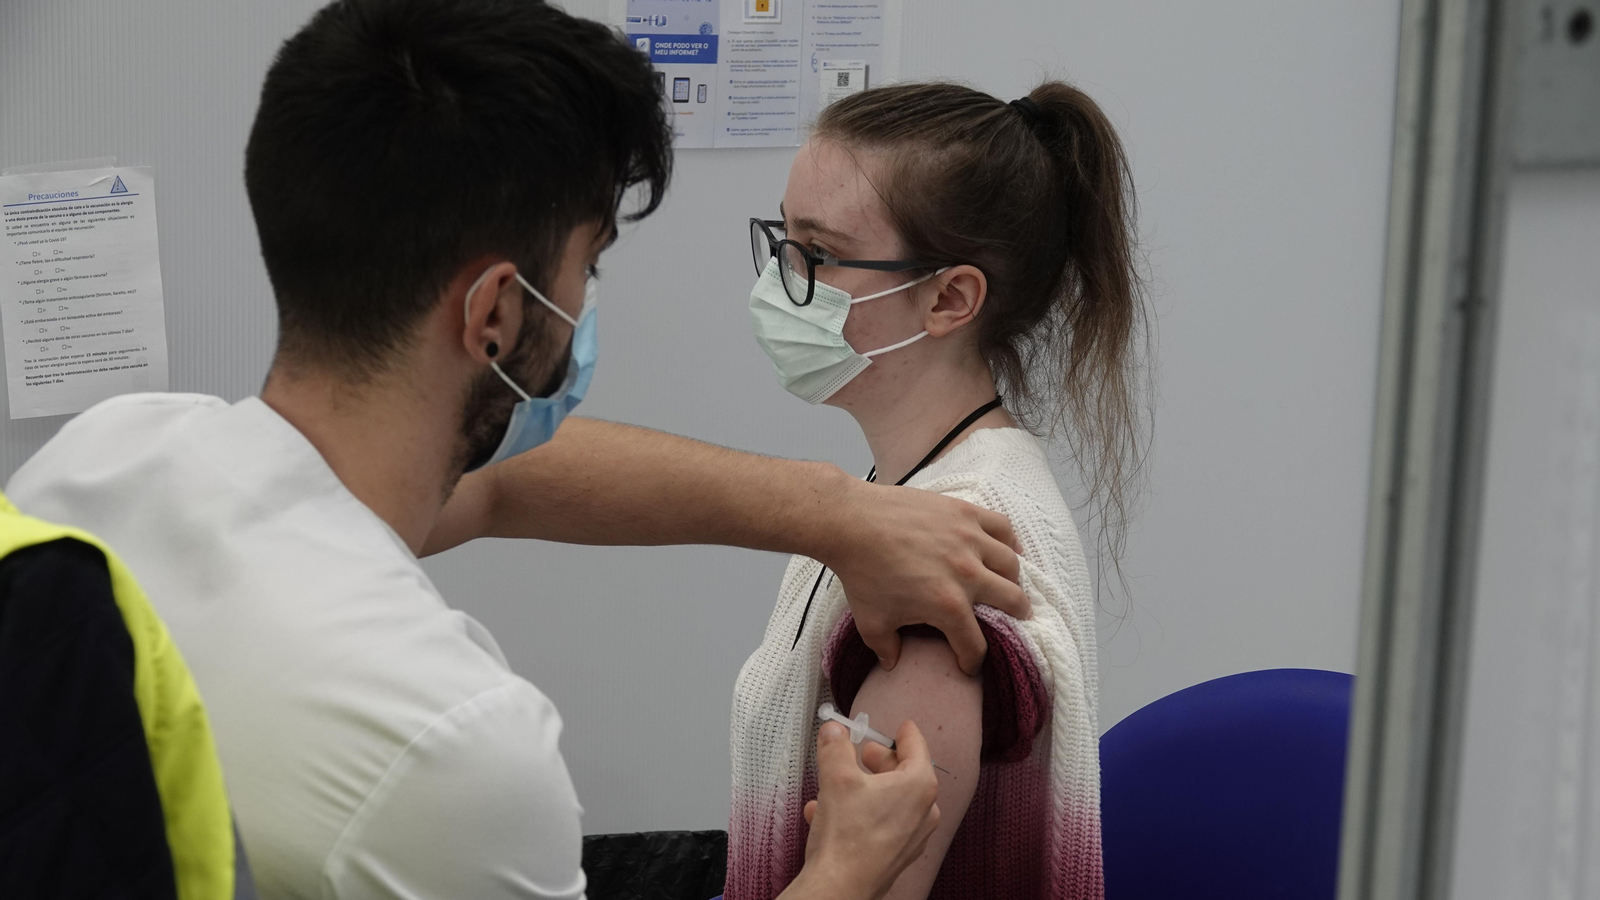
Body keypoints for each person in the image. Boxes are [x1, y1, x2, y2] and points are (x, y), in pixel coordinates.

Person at [5, 2, 1029, 898]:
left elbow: (493, 489)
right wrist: (843, 872)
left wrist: (829, 511)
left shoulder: (106, 458)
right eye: (588, 264)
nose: (585, 304)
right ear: (496, 310)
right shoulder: (448, 742)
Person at [727, 80, 1147, 900]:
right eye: (783, 239)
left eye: (816, 255)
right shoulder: (902, 500)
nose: (782, 279)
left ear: (950, 298)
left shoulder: (943, 573)